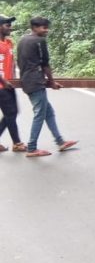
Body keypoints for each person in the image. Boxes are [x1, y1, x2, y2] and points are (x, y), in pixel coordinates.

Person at [16, 17, 77, 157]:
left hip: (27, 80)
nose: (46, 30)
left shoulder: (23, 40)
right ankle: (32, 148)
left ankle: (60, 141)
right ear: (35, 28)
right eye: (43, 27)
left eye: (46, 27)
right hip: (36, 82)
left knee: (48, 112)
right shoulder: (39, 41)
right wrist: (52, 82)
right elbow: (45, 64)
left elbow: (20, 62)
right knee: (40, 114)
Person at [0, 14, 26, 153]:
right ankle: (17, 143)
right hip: (1, 86)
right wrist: (4, 81)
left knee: (12, 112)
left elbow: (12, 62)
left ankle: (15, 142)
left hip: (8, 84)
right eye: (7, 25)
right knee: (11, 113)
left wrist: (14, 78)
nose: (10, 27)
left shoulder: (9, 43)